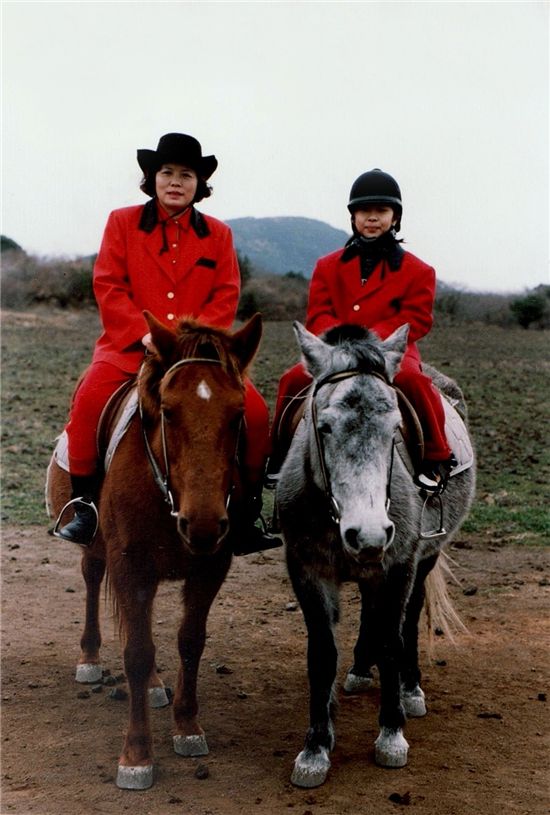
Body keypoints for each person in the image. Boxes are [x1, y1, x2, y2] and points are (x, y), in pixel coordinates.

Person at [54, 132, 280, 553]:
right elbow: (108, 284)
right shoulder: (121, 222)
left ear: (199, 184)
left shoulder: (218, 234)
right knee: (88, 399)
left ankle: (248, 509)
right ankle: (85, 505)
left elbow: (226, 293)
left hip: (198, 356)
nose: (176, 182)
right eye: (167, 172)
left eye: (186, 175)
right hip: (128, 347)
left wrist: (191, 343)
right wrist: (141, 333)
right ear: (152, 177)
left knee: (255, 410)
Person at [268, 168, 454, 491]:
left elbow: (417, 316)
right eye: (364, 211)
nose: (372, 218)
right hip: (336, 349)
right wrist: (342, 341)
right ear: (353, 216)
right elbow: (318, 314)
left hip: (390, 350)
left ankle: (436, 456)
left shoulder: (419, 270)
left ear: (395, 217)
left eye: (381, 211)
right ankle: (278, 453)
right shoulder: (327, 266)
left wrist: (374, 339)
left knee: (413, 380)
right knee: (292, 378)